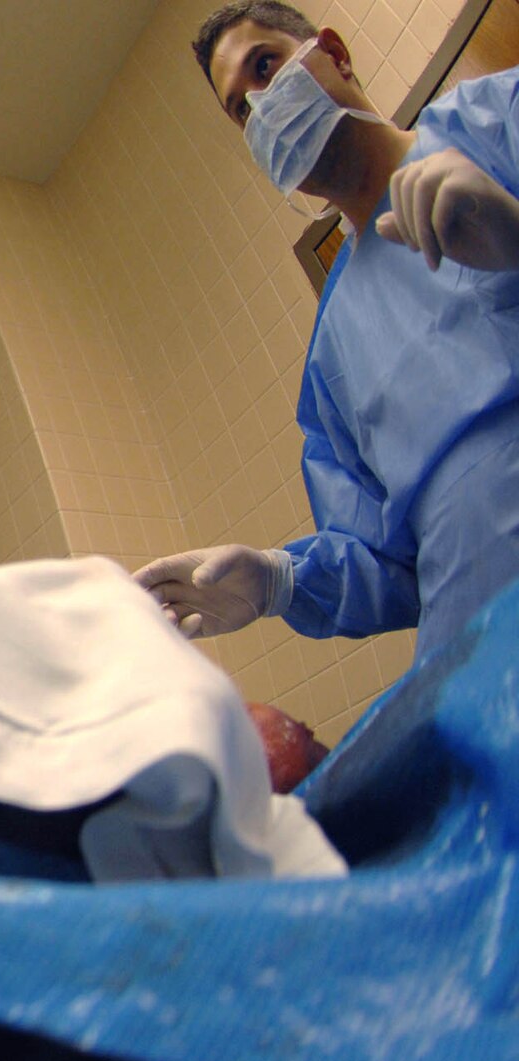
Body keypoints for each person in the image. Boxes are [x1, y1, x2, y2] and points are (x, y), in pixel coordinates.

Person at [134, 2, 519, 663]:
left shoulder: (497, 123)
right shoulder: (336, 348)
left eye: (267, 66)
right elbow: (389, 563)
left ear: (334, 54)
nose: (263, 107)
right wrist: (280, 582)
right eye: (241, 110)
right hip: (486, 667)